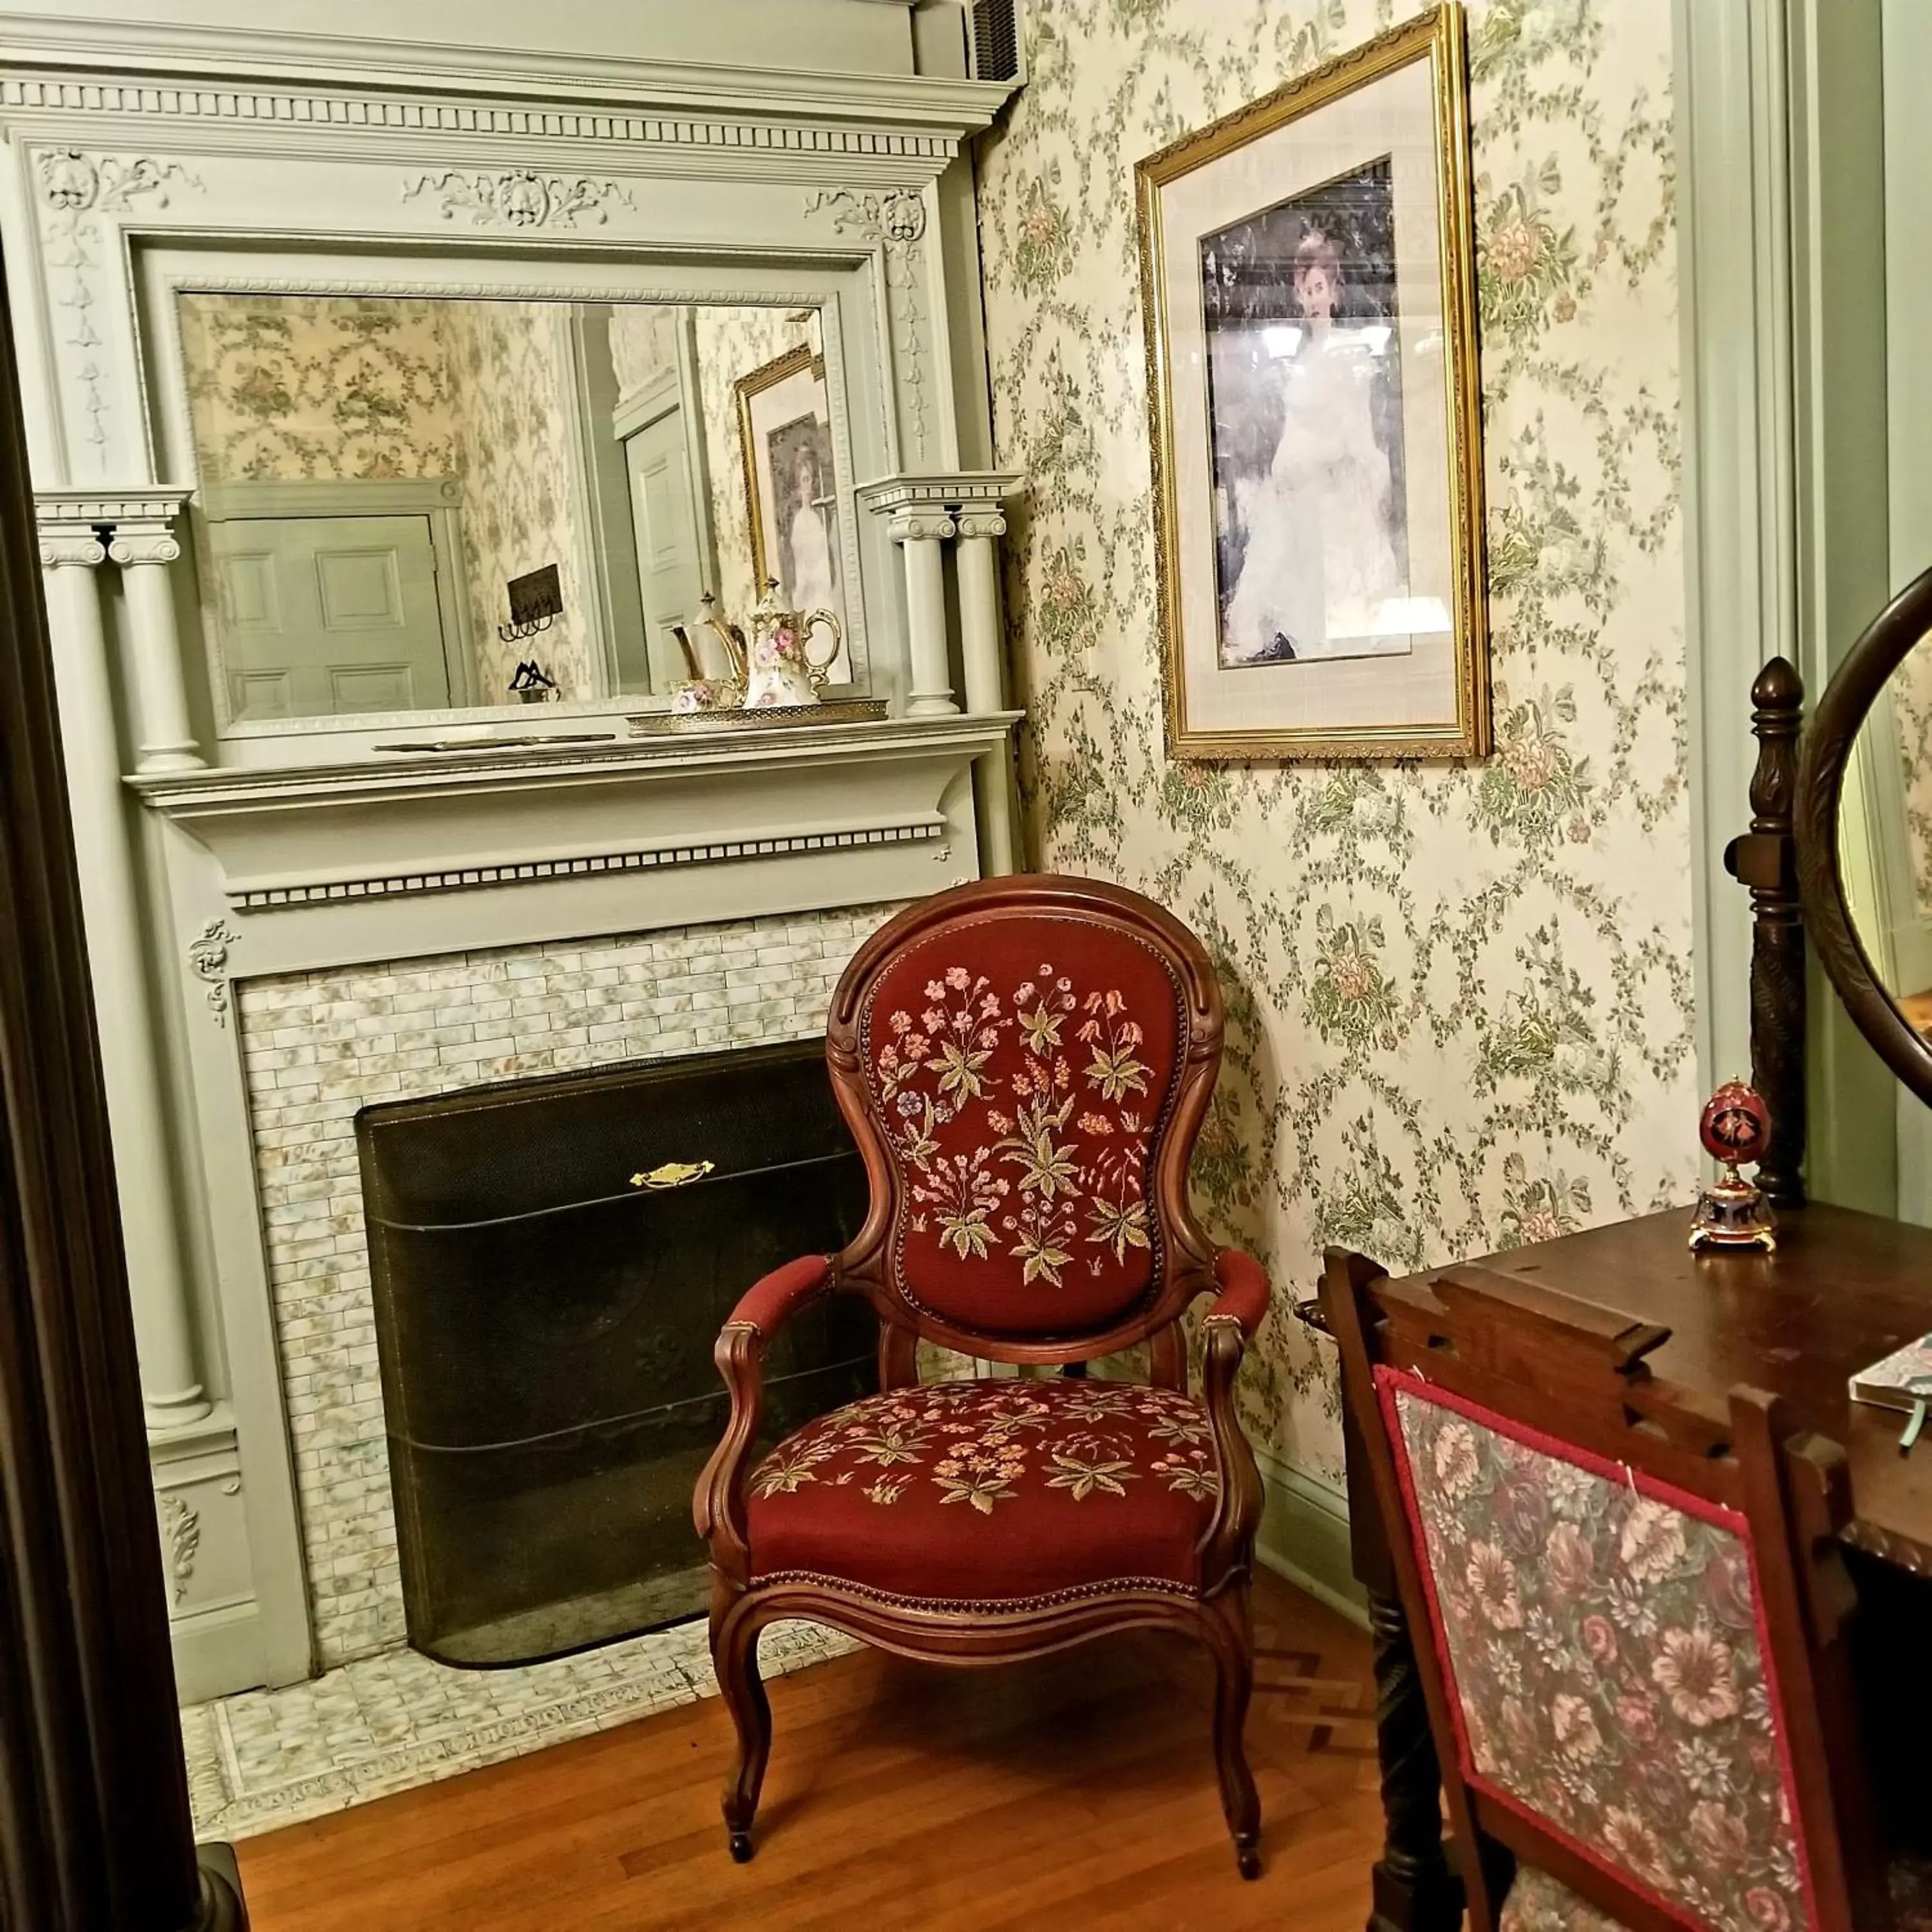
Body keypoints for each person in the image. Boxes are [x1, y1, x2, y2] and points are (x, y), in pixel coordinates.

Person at [1220, 229, 1405, 665]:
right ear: (1298, 298)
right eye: (1305, 291)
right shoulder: (1300, 359)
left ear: (1333, 292)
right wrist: (1287, 469)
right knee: (1279, 573)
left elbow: (1352, 430)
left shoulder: (1348, 351)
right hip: (1298, 494)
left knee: (1337, 597)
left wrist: (1317, 462)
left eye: (1319, 288)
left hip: (1332, 492)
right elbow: (1295, 425)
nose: (1313, 299)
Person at [781, 437, 838, 616]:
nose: (810, 484)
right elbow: (803, 563)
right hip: (813, 594)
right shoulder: (801, 521)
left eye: (812, 479)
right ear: (798, 483)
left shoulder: (820, 515)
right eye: (805, 479)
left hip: (828, 591)